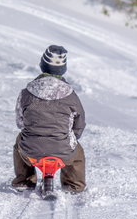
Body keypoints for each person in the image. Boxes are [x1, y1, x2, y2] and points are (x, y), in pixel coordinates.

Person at [12, 45, 86, 192]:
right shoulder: (71, 96)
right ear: (63, 69)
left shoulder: (26, 93)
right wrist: (71, 137)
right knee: (78, 155)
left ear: (42, 65)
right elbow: (79, 123)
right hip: (62, 150)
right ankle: (74, 185)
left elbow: (20, 122)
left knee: (19, 143)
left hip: (31, 150)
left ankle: (24, 181)